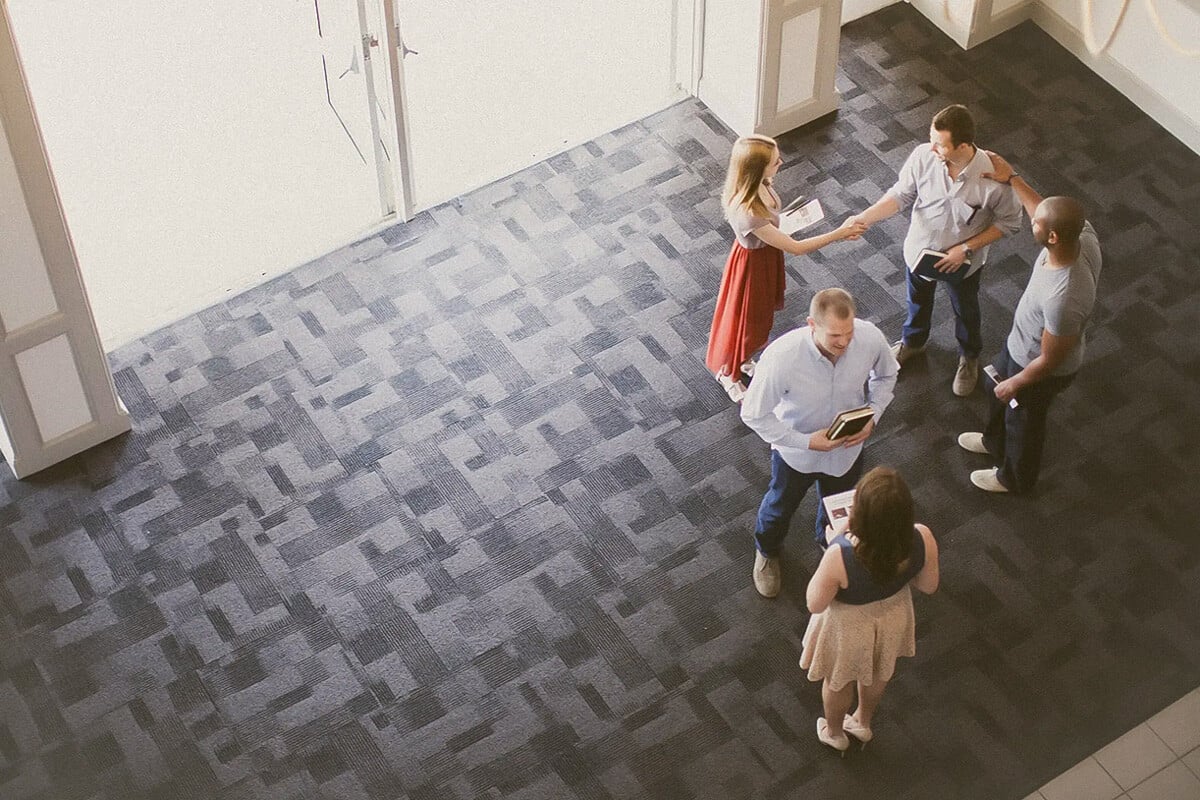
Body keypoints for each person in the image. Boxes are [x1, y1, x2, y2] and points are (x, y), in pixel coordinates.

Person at [850, 104, 1022, 396]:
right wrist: (865, 217)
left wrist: (966, 248)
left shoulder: (994, 178)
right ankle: (913, 343)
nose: (932, 148)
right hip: (919, 251)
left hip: (962, 263)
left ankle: (969, 357)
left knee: (965, 310)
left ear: (964, 145)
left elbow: (1011, 223)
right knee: (917, 301)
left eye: (940, 144)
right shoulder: (923, 155)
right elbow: (901, 195)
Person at [958, 152, 1102, 493]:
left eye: (1037, 224)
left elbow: (1050, 360)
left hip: (1039, 367)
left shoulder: (1064, 297)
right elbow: (1043, 210)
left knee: (1024, 420)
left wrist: (1017, 383)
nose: (1032, 221)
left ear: (1052, 238)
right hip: (1019, 345)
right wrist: (1013, 178)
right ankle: (994, 442)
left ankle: (1014, 478)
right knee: (998, 394)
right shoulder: (1082, 234)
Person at [740, 288, 898, 598]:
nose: (844, 343)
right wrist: (805, 442)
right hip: (796, 454)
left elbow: (887, 376)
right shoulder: (782, 358)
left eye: (849, 332)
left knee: (840, 507)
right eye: (835, 336)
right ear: (812, 324)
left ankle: (829, 542)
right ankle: (767, 552)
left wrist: (874, 415)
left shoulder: (869, 337)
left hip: (847, 451)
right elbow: (753, 415)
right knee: (779, 506)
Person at [706, 135, 865, 401]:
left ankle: (742, 358)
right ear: (757, 169)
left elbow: (776, 229)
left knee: (758, 318)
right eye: (774, 161)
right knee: (747, 321)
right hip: (752, 267)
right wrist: (839, 233)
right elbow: (797, 248)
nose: (781, 162)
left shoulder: (760, 184)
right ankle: (728, 372)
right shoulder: (749, 212)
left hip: (765, 257)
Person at [800, 466, 940, 753]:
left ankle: (835, 732)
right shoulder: (921, 536)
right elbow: (928, 585)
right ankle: (863, 722)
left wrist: (834, 542)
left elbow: (815, 602)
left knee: (839, 682)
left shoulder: (841, 554)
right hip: (893, 616)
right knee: (879, 672)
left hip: (848, 627)